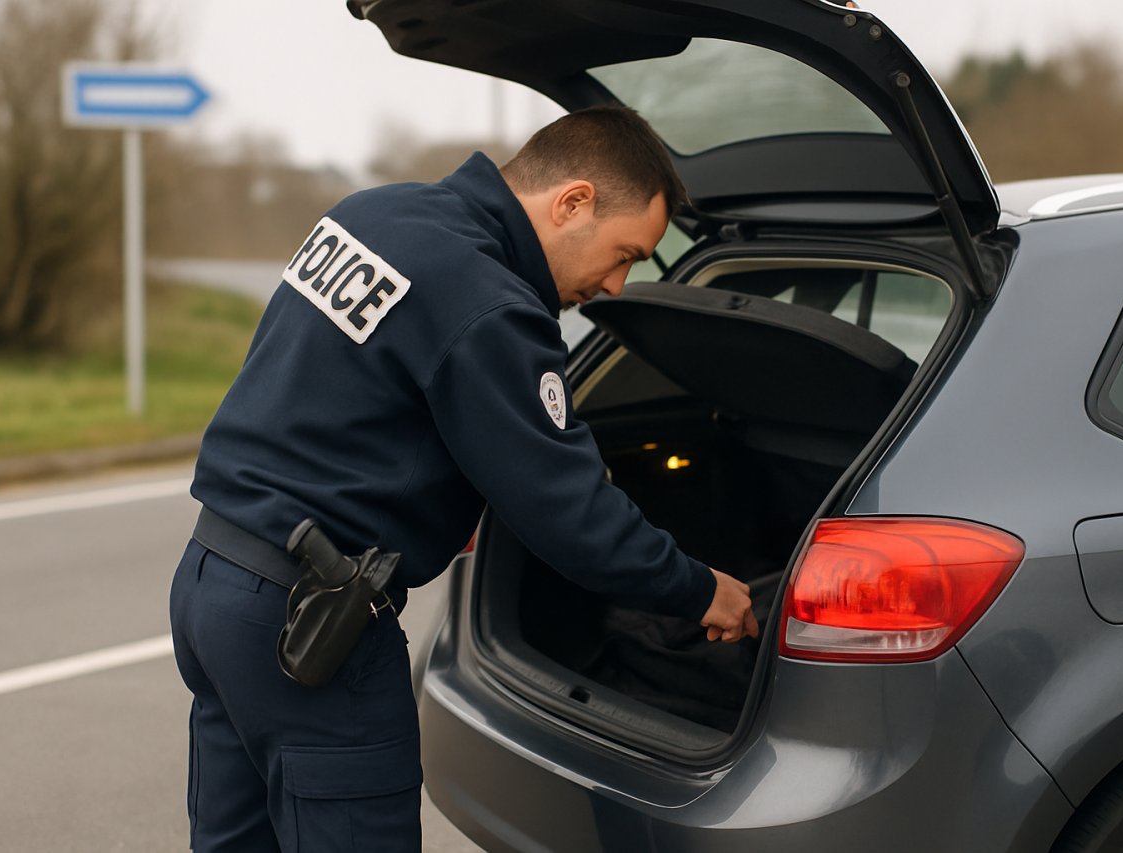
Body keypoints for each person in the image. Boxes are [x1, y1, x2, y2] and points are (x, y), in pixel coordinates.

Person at [168, 106, 759, 853]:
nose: (616, 283)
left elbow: (342, 396)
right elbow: (569, 514)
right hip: (312, 621)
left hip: (210, 585)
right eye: (624, 253)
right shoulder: (491, 305)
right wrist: (700, 588)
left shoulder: (370, 214)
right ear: (572, 201)